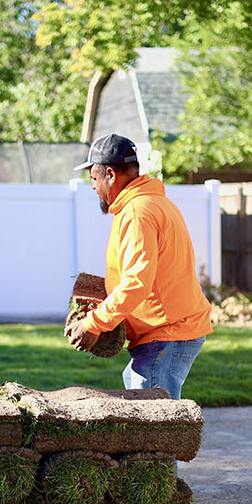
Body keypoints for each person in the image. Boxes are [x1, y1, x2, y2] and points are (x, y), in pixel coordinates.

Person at [65, 133, 213, 399]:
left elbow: (136, 283)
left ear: (110, 174)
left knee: (153, 426)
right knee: (146, 410)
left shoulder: (137, 212)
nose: (93, 187)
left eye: (94, 179)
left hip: (166, 333)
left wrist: (93, 323)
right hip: (167, 332)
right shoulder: (153, 203)